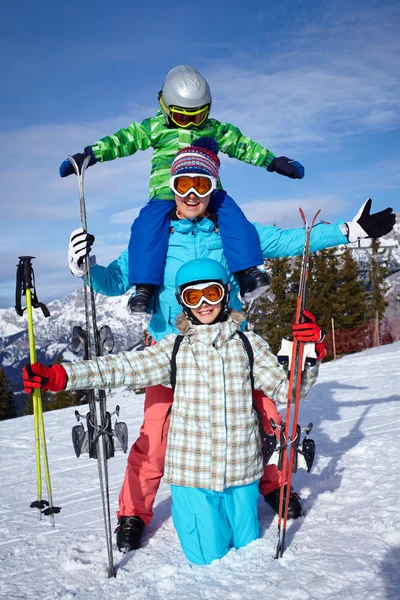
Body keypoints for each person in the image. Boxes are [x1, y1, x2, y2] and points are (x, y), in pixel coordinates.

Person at [67, 142, 395, 552]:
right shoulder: (153, 238)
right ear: (171, 187)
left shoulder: (233, 233)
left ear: (211, 188)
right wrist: (86, 269)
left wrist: (348, 231)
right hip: (171, 351)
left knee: (268, 418)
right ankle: (133, 512)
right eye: (182, 184)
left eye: (200, 184)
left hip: (231, 345)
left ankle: (274, 485)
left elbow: (294, 239)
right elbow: (114, 281)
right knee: (156, 434)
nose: (190, 194)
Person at [23, 258, 326, 564]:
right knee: (210, 561)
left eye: (212, 293)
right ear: (182, 301)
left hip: (243, 474)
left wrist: (309, 354)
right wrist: (62, 376)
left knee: (248, 554)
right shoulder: (175, 349)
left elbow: (290, 390)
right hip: (193, 478)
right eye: (194, 296)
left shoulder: (249, 345)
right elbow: (123, 368)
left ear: (225, 294)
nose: (204, 304)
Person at [61, 65, 306, 312]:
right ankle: (144, 288)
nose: (190, 123)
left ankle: (247, 273)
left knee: (235, 219)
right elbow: (125, 140)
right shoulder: (156, 127)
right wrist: (91, 154)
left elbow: (242, 145)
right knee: (146, 229)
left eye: (197, 117)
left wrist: (272, 161)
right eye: (181, 117)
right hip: (166, 193)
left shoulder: (215, 129)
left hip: (208, 191)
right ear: (165, 108)